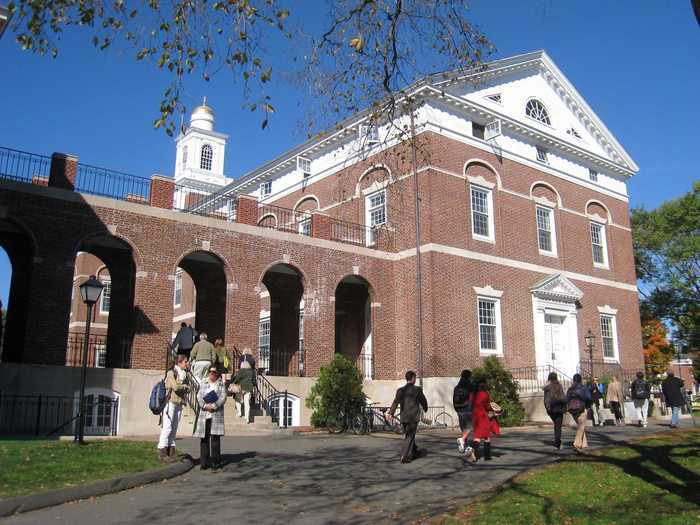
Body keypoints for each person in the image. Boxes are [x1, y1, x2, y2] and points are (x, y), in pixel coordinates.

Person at [386, 370, 428, 463]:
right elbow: (423, 401)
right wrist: (425, 408)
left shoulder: (400, 390)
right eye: (415, 378)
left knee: (409, 435)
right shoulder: (417, 390)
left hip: (404, 417)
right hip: (413, 417)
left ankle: (414, 451)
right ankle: (404, 456)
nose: (415, 379)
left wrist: (391, 413)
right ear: (413, 378)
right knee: (409, 436)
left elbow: (395, 402)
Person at [156, 354, 191, 462]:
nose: (187, 363)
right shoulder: (171, 373)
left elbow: (189, 389)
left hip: (179, 403)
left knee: (174, 428)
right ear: (179, 362)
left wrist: (185, 387)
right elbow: (175, 387)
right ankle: (162, 450)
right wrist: (184, 387)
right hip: (170, 402)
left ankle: (171, 452)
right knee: (167, 427)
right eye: (185, 361)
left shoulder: (185, 374)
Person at [194, 366, 227, 470]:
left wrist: (214, 406)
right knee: (204, 439)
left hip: (215, 414)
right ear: (208, 373)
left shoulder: (221, 384)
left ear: (217, 373)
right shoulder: (203, 383)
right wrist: (204, 406)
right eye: (211, 372)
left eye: (214, 372)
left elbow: (223, 397)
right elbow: (199, 396)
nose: (212, 373)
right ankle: (204, 462)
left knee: (215, 440)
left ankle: (215, 463)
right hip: (205, 415)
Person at [471, 379, 500, 461]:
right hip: (483, 416)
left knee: (477, 435)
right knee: (486, 436)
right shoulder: (485, 394)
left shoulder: (472, 394)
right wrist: (494, 409)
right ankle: (487, 456)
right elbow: (487, 406)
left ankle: (474, 451)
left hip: (475, 416)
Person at [567, 373, 591, 451]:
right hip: (581, 408)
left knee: (581, 425)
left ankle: (584, 444)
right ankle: (576, 443)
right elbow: (589, 398)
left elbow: (566, 399)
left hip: (572, 410)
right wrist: (587, 406)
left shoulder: (570, 389)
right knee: (581, 426)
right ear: (580, 380)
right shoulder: (584, 388)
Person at [453, 369, 474, 458]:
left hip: (459, 409)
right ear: (469, 376)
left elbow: (454, 399)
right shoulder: (469, 386)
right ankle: (463, 441)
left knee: (464, 428)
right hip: (467, 409)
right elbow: (473, 397)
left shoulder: (457, 387)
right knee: (471, 427)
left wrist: (457, 409)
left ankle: (465, 446)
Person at [543, 372, 567, 449]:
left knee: (556, 424)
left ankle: (557, 441)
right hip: (560, 408)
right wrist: (565, 407)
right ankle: (558, 442)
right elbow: (563, 397)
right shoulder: (559, 386)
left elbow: (546, 399)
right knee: (558, 426)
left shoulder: (547, 387)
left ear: (549, 378)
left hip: (552, 409)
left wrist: (548, 408)